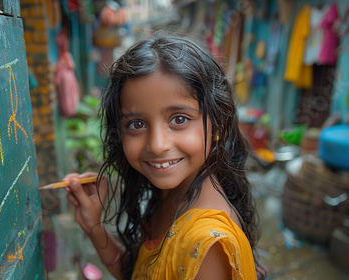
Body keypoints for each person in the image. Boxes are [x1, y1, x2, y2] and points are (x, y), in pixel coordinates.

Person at [61, 34, 263, 279]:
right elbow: (137, 272)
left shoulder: (208, 244)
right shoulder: (170, 194)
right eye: (136, 124)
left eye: (179, 119)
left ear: (219, 123)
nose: (157, 145)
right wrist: (94, 226)